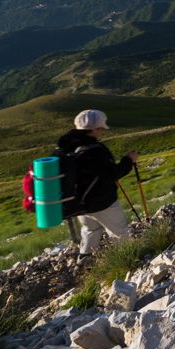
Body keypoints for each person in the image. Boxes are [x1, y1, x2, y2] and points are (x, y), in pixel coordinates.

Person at [58, 109, 138, 259]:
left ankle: (85, 257)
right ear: (93, 129)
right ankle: (128, 260)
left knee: (90, 230)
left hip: (78, 203)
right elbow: (112, 174)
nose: (101, 132)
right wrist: (128, 160)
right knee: (119, 232)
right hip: (102, 202)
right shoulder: (95, 150)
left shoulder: (65, 147)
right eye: (100, 128)